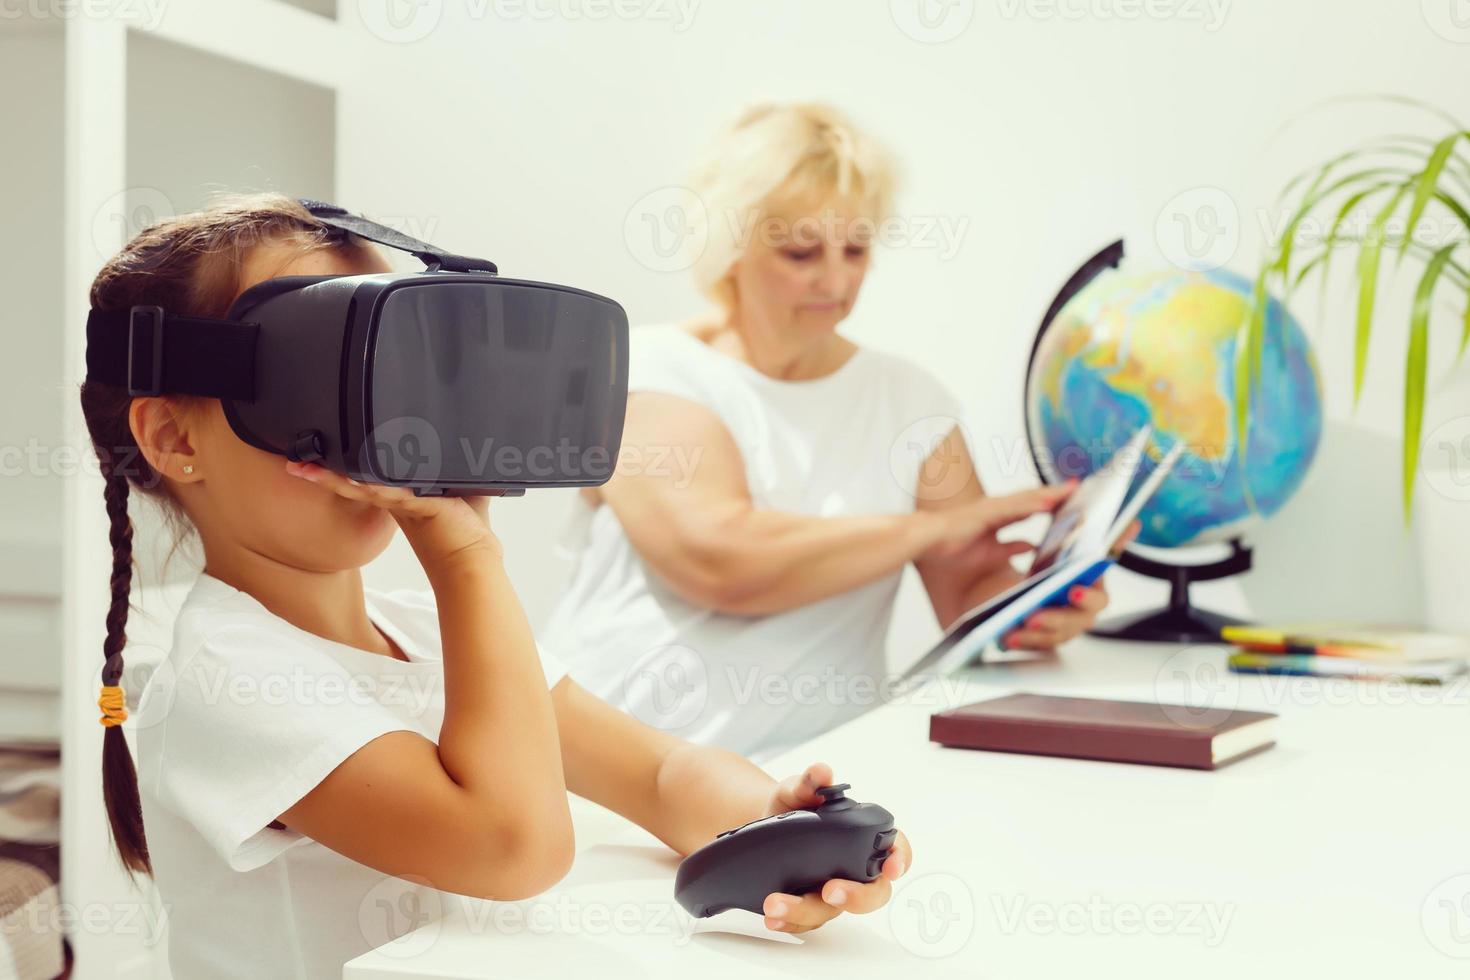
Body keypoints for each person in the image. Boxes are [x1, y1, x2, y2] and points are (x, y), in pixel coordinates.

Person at [81, 194, 910, 979]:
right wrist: (466, 558)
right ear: (171, 437)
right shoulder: (225, 676)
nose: (368, 432)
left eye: (378, 374)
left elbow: (659, 776)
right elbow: (514, 848)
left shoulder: (424, 632)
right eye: (315, 382)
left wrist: (779, 825)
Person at [544, 103, 1124, 759]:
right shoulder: (644, 370)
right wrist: (933, 527)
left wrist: (1046, 601)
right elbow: (720, 560)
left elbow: (970, 593)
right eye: (800, 251)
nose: (836, 279)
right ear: (729, 246)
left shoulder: (912, 403)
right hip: (603, 779)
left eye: (856, 248)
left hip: (812, 780)